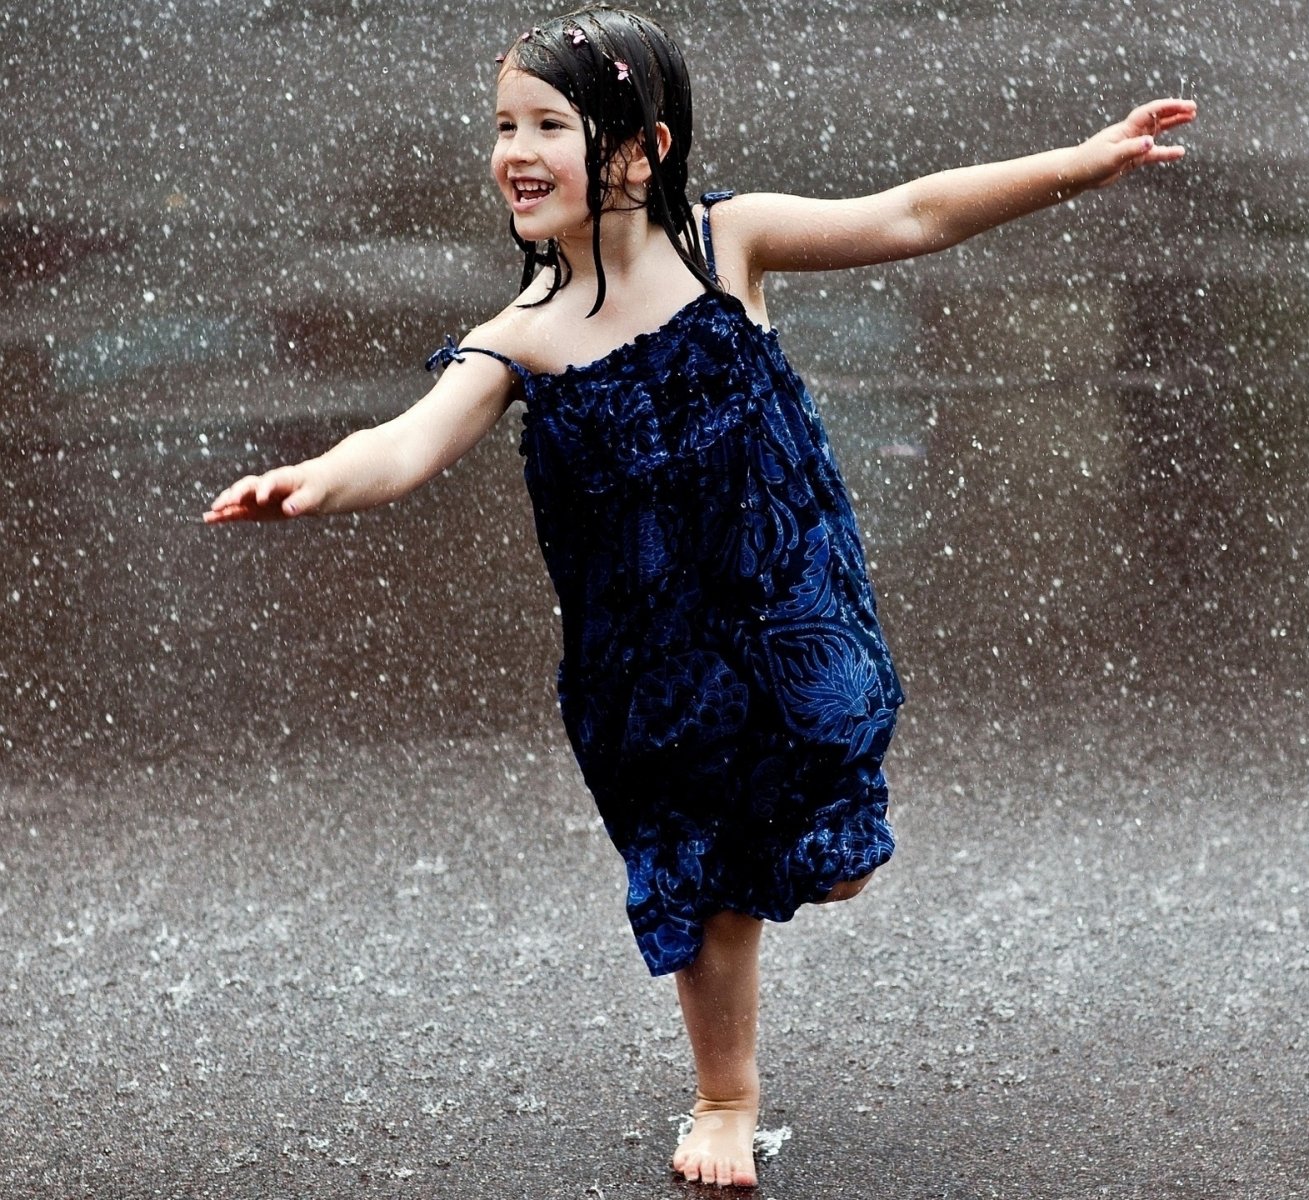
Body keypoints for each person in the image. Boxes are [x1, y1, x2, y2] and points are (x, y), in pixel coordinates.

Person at [202, 3, 1194, 1189]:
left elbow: (913, 211)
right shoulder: (521, 338)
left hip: (791, 606)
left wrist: (1079, 166)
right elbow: (407, 444)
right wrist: (318, 478)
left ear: (643, 148)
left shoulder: (728, 246)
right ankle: (724, 1096)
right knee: (704, 872)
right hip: (649, 655)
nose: (514, 152)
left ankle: (804, 852)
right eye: (503, 125)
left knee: (833, 833)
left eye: (548, 126)